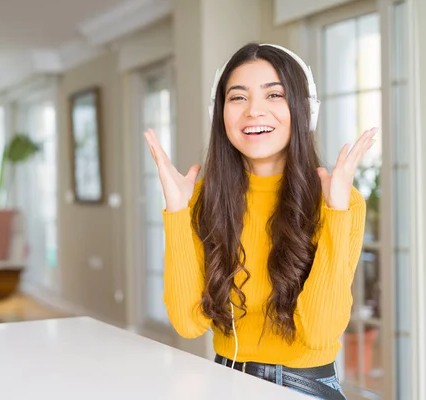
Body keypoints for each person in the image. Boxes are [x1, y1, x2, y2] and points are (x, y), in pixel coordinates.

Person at [144, 42, 376, 400]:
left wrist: (337, 213)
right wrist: (176, 210)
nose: (254, 111)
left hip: (305, 386)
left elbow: (319, 333)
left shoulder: (339, 202)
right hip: (224, 378)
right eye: (238, 98)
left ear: (304, 111)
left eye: (274, 95)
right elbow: (189, 324)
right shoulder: (203, 198)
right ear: (219, 113)